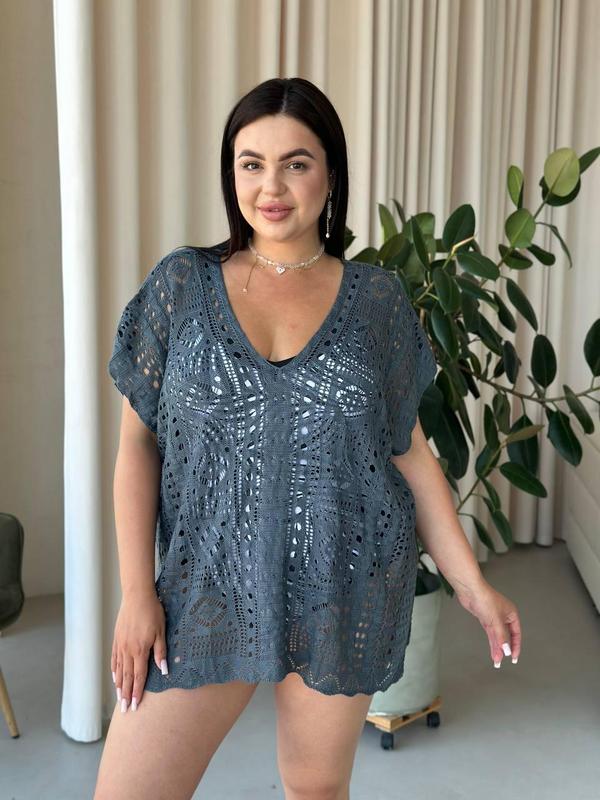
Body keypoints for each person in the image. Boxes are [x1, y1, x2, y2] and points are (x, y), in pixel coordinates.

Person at [94, 77, 522, 800]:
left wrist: (472, 586)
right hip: (206, 586)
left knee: (316, 789)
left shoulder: (377, 302)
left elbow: (410, 457)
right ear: (231, 175)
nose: (272, 187)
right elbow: (139, 446)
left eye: (296, 163)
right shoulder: (182, 286)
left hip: (341, 585)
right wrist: (138, 593)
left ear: (330, 174)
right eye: (251, 163)